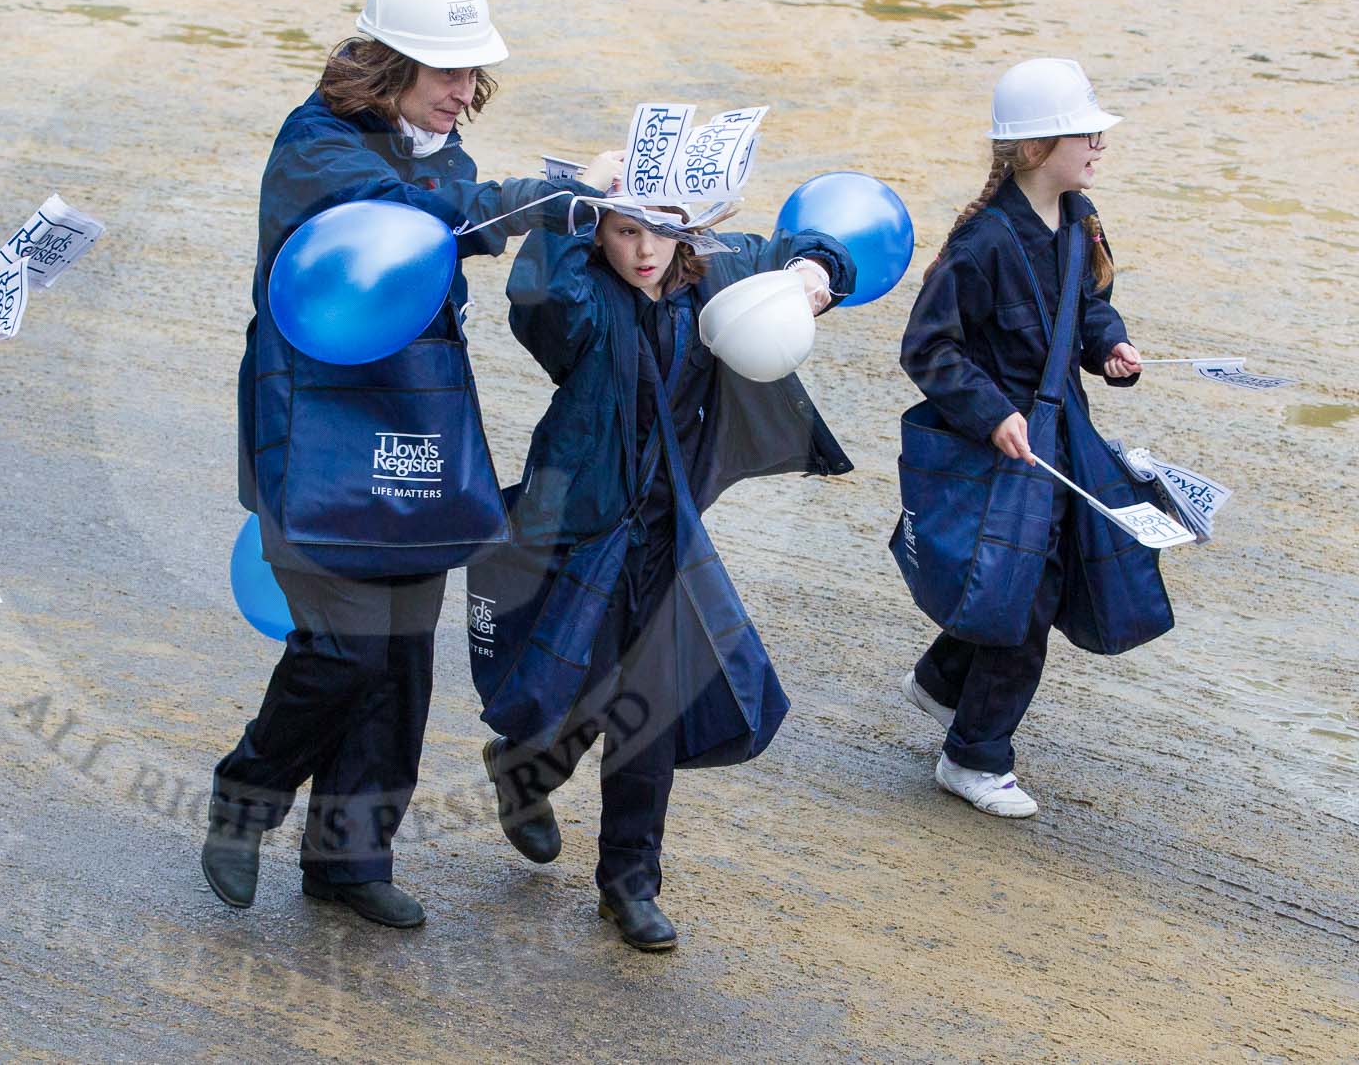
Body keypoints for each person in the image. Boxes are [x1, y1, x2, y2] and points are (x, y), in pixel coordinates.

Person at [203, 0, 621, 929]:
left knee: (398, 656)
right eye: (446, 72)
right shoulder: (318, 149)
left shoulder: (445, 154)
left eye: (471, 74)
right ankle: (244, 796)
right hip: (310, 428)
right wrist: (551, 199)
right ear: (387, 63)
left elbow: (447, 219)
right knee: (342, 650)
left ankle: (348, 857)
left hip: (415, 422)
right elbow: (411, 225)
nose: (464, 92)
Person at [476, 200, 854, 951]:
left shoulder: (717, 270)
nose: (645, 250)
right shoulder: (585, 293)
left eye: (659, 231)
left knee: (650, 698)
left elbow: (813, 247)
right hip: (583, 527)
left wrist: (817, 272)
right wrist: (569, 207)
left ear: (687, 228)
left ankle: (629, 882)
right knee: (587, 681)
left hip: (665, 530)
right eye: (624, 231)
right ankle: (525, 767)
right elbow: (538, 300)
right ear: (600, 232)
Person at [898, 57, 1144, 818]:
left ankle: (942, 682)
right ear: (1037, 146)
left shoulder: (1079, 218)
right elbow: (927, 348)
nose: (1100, 145)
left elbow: (1090, 303)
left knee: (1040, 577)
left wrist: (1109, 348)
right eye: (1087, 134)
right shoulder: (981, 244)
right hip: (1000, 452)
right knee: (1026, 593)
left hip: (1060, 438)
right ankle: (974, 757)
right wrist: (990, 412)